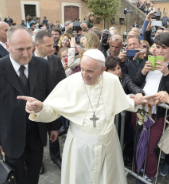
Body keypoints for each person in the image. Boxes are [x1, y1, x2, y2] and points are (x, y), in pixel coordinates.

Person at [18, 49, 149, 184]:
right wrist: (40, 108)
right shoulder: (70, 82)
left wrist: (139, 101)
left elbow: (121, 99)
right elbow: (53, 109)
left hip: (108, 144)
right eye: (82, 69)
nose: (84, 75)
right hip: (80, 146)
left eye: (90, 71)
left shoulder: (112, 80)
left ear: (102, 69)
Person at [0, 26, 60, 184]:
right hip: (10, 138)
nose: (26, 54)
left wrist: (54, 126)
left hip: (37, 134)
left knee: (33, 174)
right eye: (20, 49)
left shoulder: (42, 65)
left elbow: (51, 97)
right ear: (8, 47)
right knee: (17, 178)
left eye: (29, 48)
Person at [133, 32, 169, 181]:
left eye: (164, 47)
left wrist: (167, 73)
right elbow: (136, 82)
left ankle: (150, 175)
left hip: (158, 113)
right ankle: (138, 169)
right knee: (139, 142)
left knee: (150, 148)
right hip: (140, 109)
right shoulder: (148, 61)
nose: (160, 51)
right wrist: (143, 71)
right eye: (157, 47)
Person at [34, 30, 66, 173]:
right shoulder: (30, 61)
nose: (52, 48)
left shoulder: (54, 59)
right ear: (37, 45)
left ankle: (56, 156)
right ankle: (38, 160)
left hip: (53, 104)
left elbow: (62, 78)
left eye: (53, 44)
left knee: (54, 131)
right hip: (37, 106)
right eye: (48, 45)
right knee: (37, 135)